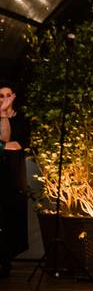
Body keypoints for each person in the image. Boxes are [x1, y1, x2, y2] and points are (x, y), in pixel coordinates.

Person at [0, 82, 30, 278]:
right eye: (0, 96)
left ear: (14, 96)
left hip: (13, 174)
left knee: (12, 215)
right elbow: (6, 143)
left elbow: (17, 143)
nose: (4, 99)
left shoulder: (21, 120)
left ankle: (6, 260)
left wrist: (2, 146)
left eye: (7, 95)